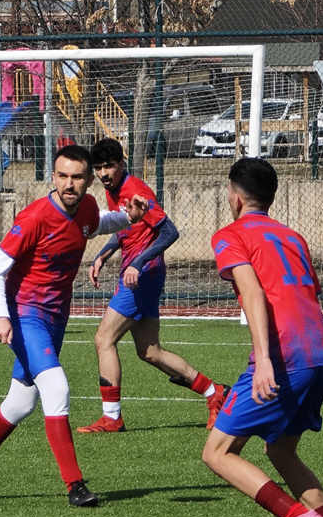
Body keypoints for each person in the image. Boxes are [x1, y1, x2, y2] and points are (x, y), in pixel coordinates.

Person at [0, 145, 147, 507]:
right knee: (56, 388)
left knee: (20, 403)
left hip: (56, 316)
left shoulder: (85, 207)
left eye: (77, 177)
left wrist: (127, 217)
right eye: (62, 176)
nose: (69, 184)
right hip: (26, 313)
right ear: (53, 176)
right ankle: (75, 486)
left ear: (88, 181)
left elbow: (96, 223)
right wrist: (0, 315)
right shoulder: (34, 217)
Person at [201, 158, 323, 517]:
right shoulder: (292, 236)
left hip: (285, 355)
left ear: (234, 198)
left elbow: (254, 295)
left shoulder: (229, 235)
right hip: (320, 352)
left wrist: (266, 361)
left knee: (217, 452)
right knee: (282, 450)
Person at [78, 139, 226, 433]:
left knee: (103, 340)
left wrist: (138, 262)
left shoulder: (136, 190)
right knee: (149, 351)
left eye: (109, 166)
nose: (104, 173)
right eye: (98, 168)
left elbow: (169, 231)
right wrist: (102, 256)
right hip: (140, 273)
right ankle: (215, 393)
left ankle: (112, 417)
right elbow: (125, 228)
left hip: (142, 276)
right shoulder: (113, 191)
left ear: (122, 164)